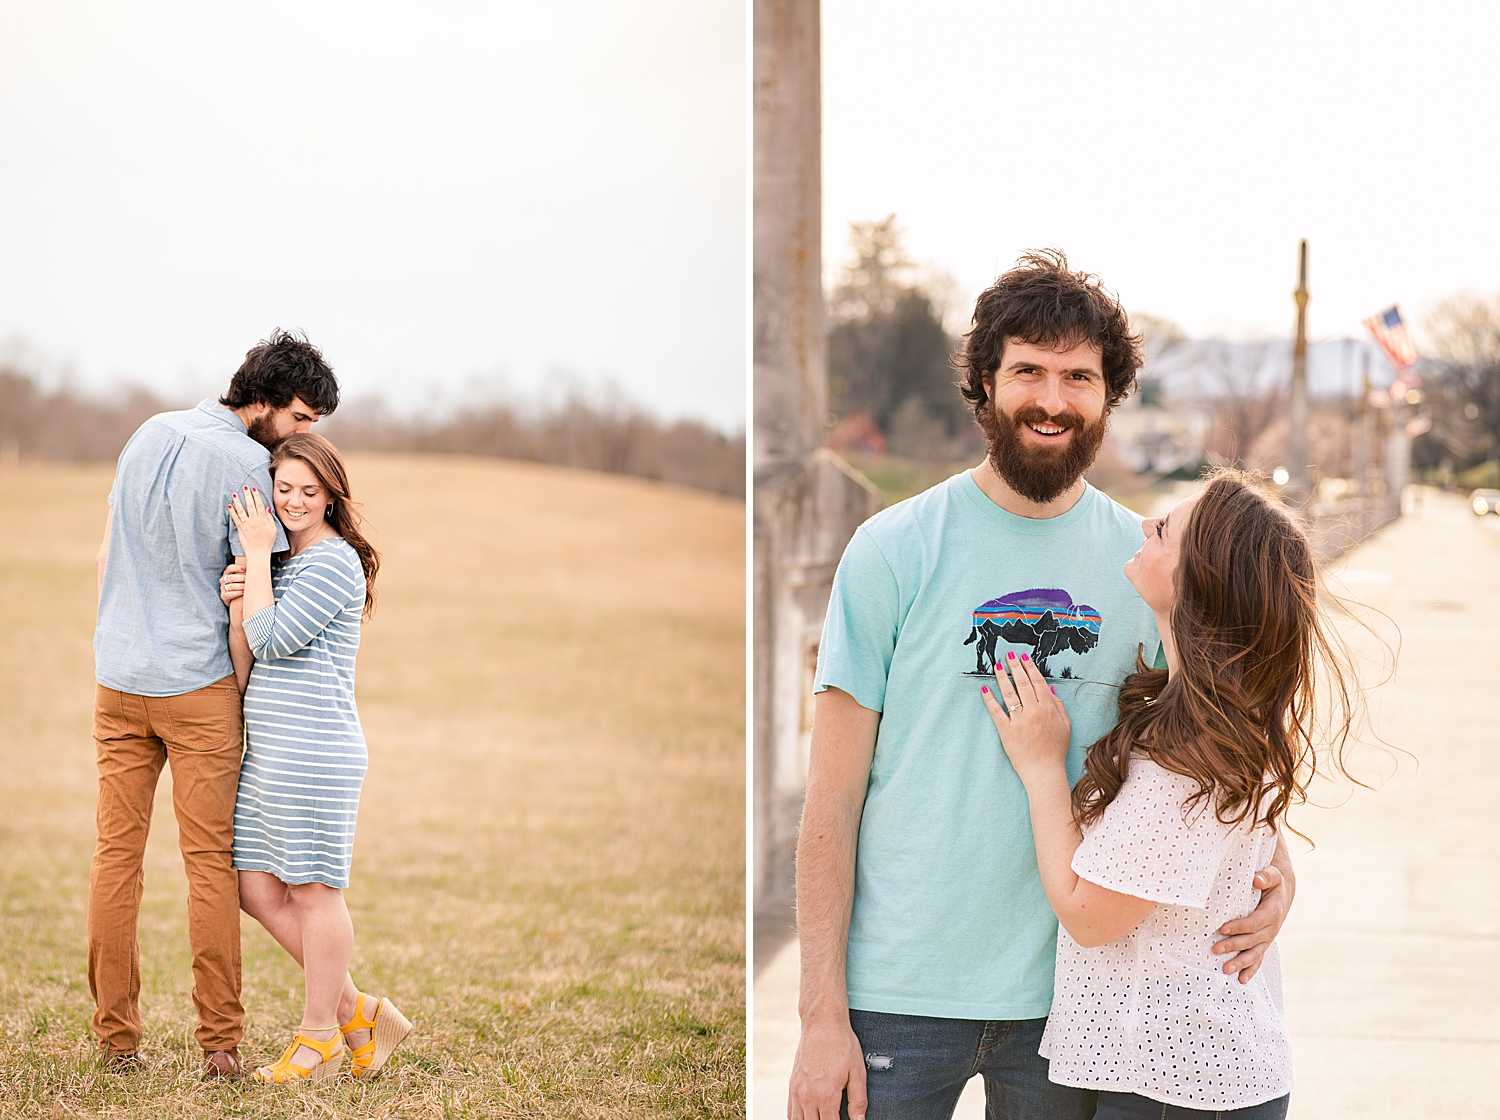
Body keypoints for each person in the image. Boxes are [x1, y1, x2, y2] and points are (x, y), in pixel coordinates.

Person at [787, 251, 1294, 1120]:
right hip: (895, 998)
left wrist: (1271, 865)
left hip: (1069, 1012)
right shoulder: (891, 550)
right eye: (1027, 370)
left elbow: (1216, 734)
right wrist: (818, 1017)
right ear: (984, 384)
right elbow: (830, 800)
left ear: (1109, 396)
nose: (1052, 400)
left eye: (1078, 377)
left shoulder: (1153, 566)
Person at [981, 473, 1356, 1118]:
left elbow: (1090, 916)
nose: (1143, 527)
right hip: (1205, 1078)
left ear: (1195, 583)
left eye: (1164, 530)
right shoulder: (1222, 723)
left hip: (1177, 1088)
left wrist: (1041, 763)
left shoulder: (1182, 770)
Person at [89, 330, 337, 1077]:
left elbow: (106, 555)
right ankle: (220, 1046)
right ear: (262, 401)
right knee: (209, 867)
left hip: (116, 677)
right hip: (196, 688)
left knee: (114, 860)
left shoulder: (146, 432)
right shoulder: (249, 468)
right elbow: (246, 597)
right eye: (297, 420)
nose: (298, 439)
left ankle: (115, 1039)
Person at [220, 432, 411, 1082]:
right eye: (284, 489)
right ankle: (359, 1015)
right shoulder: (282, 566)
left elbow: (272, 642)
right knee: (256, 888)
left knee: (312, 892)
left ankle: (320, 1037)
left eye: (309, 491)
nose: (295, 501)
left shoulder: (332, 563)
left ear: (331, 496)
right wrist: (236, 599)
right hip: (271, 750)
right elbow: (246, 667)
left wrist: (250, 557)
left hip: (317, 751)